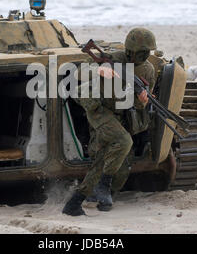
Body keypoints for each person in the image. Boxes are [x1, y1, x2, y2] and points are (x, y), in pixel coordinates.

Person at [62, 28, 156, 216]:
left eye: (148, 52)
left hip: (121, 114)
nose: (145, 55)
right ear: (130, 50)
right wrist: (100, 69)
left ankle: (81, 199)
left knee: (115, 164)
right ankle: (101, 188)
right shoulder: (112, 58)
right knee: (122, 142)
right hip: (99, 110)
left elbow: (139, 105)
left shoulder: (147, 70)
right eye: (142, 51)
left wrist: (143, 100)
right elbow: (79, 73)